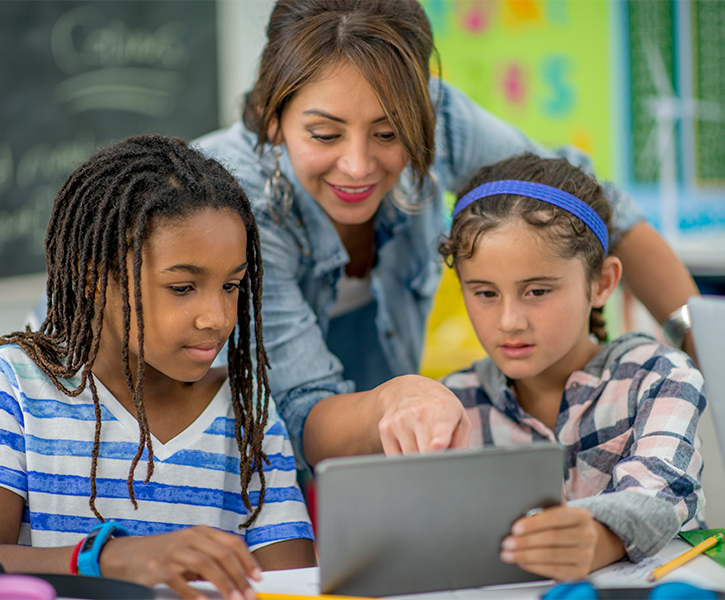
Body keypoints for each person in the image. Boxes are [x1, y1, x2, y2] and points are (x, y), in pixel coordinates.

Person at [193, 0, 700, 470]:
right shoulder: (234, 202)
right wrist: (395, 399)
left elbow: (592, 206)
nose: (357, 165)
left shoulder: (434, 117)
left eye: (389, 134)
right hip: (260, 448)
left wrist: (701, 354)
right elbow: (300, 409)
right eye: (325, 135)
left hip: (388, 422)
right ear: (275, 119)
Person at [0, 135, 316, 600]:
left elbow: (295, 586)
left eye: (232, 285)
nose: (216, 317)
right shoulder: (16, 382)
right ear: (95, 278)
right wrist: (107, 559)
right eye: (182, 287)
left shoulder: (247, 408)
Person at [438, 153, 706, 581]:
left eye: (538, 290)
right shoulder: (450, 404)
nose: (509, 321)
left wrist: (602, 535)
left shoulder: (659, 375)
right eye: (486, 293)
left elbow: (663, 490)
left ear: (601, 283)